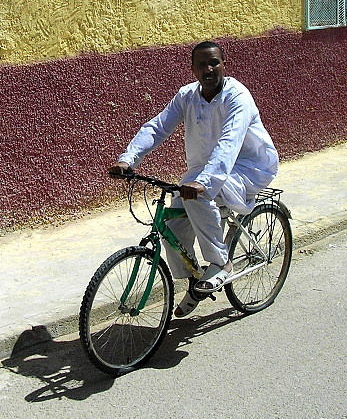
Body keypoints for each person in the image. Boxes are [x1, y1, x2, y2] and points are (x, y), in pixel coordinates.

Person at [109, 40, 279, 318]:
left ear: (225, 65)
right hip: (204, 171)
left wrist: (205, 182)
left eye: (214, 62)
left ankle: (221, 263)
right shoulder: (187, 95)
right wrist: (128, 159)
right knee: (172, 221)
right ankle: (194, 282)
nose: (209, 68)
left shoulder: (238, 97)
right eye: (202, 64)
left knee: (199, 196)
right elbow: (158, 126)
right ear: (193, 69)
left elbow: (229, 143)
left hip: (248, 167)